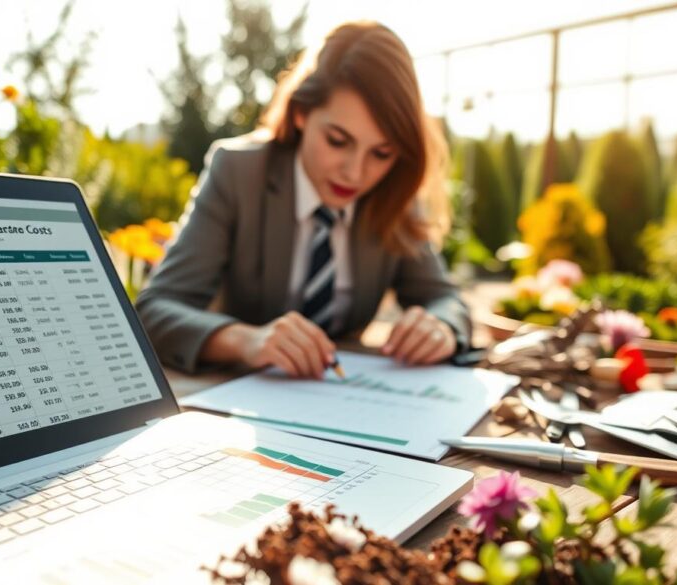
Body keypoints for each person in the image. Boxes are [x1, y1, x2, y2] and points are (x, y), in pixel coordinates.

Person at [137, 21, 470, 378]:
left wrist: (440, 327)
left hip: (348, 399)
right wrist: (245, 340)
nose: (355, 173)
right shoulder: (237, 172)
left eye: (382, 152)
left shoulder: (393, 190)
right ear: (300, 114)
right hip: (240, 396)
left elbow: (446, 300)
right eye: (338, 141)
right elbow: (154, 310)